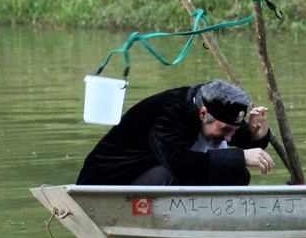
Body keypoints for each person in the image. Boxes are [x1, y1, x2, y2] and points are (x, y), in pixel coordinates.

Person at [77, 79, 274, 185]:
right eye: (226, 130)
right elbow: (180, 164)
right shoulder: (170, 112)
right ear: (203, 114)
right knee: (183, 175)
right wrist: (240, 156)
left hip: (153, 169)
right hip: (109, 183)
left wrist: (256, 134)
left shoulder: (210, 107)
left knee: (236, 172)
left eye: (234, 131)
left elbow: (231, 132)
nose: (230, 138)